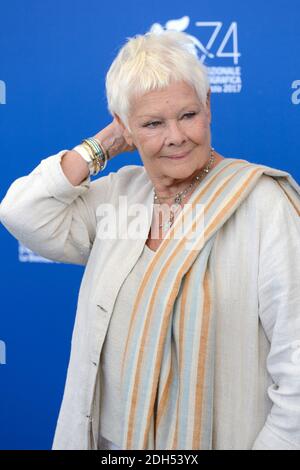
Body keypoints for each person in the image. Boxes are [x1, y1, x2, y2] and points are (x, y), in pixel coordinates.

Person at [0, 29, 300, 451]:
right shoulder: (121, 193)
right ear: (126, 128)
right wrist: (103, 145)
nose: (176, 136)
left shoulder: (263, 205)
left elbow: (297, 367)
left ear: (209, 106)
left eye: (188, 115)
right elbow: (21, 211)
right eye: (153, 123)